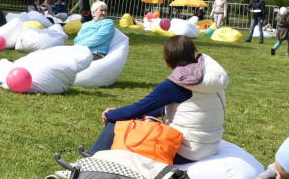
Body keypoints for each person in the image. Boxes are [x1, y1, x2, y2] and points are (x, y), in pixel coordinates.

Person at [85, 36, 228, 163]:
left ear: (167, 60)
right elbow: (182, 108)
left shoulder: (176, 84)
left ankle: (90, 159)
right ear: (193, 53)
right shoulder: (208, 80)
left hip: (185, 151)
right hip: (210, 146)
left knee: (119, 120)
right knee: (132, 116)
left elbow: (136, 109)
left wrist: (110, 115)